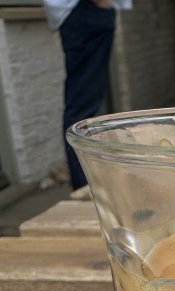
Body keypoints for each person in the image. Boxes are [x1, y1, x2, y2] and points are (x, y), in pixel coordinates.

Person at [42, 0, 132, 189]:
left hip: (84, 12)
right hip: (85, 11)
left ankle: (86, 183)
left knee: (85, 103)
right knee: (81, 106)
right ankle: (84, 185)